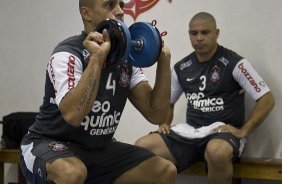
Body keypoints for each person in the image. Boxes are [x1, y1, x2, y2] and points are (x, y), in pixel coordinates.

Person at [19, 0, 177, 184]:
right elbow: (73, 115)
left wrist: (164, 60)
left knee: (164, 171)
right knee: (71, 173)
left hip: (97, 150)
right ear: (87, 13)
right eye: (109, 5)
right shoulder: (67, 54)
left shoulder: (126, 61)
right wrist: (97, 59)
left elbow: (156, 114)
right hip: (48, 144)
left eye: (121, 5)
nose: (119, 11)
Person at [135, 12, 275, 184]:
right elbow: (167, 102)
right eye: (194, 33)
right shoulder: (181, 67)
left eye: (205, 32)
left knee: (217, 152)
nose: (199, 38)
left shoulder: (235, 63)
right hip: (191, 133)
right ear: (189, 34)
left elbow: (267, 99)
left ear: (216, 33)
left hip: (221, 134)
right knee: (143, 146)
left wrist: (243, 131)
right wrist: (164, 122)